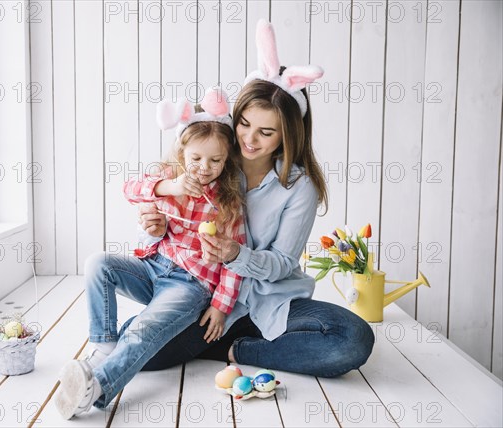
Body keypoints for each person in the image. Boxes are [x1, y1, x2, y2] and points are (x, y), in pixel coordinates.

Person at [132, 19, 375, 377]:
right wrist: (154, 227)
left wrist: (235, 254)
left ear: (288, 134)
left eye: (266, 132)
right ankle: (218, 339)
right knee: (137, 349)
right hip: (206, 297)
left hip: (270, 304)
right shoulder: (209, 158)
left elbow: (280, 263)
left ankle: (237, 350)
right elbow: (164, 229)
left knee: (351, 338)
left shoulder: (298, 186)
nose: (249, 139)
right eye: (244, 123)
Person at [54, 88, 246, 419]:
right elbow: (130, 189)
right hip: (153, 268)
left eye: (215, 160)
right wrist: (167, 188)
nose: (204, 168)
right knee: (98, 264)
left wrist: (220, 306)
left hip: (189, 285)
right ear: (182, 150)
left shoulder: (228, 203)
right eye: (196, 159)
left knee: (143, 329)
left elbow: (233, 264)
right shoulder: (169, 178)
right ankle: (103, 345)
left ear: (227, 158)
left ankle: (97, 388)